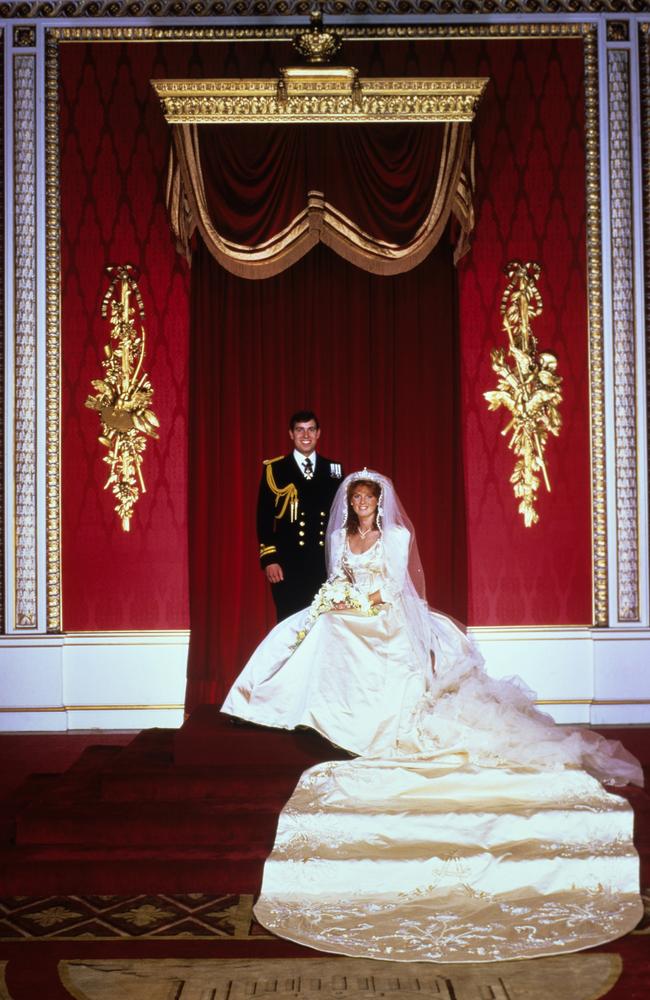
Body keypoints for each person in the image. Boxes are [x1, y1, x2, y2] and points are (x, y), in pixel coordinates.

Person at [223, 470, 644, 963]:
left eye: (367, 499)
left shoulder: (396, 537)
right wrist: (338, 600)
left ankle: (372, 721)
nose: (360, 505)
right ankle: (301, 708)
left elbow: (396, 588)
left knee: (349, 630)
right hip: (351, 610)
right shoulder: (339, 537)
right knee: (320, 627)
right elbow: (338, 579)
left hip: (386, 617)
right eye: (355, 498)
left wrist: (363, 602)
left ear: (379, 503)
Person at [257, 411, 343, 621]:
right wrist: (270, 559)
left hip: (324, 563)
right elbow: (264, 517)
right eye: (300, 430)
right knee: (290, 623)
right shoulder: (275, 469)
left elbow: (342, 518)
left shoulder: (334, 470)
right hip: (288, 565)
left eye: (311, 429)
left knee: (323, 625)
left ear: (318, 433)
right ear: (291, 434)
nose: (306, 435)